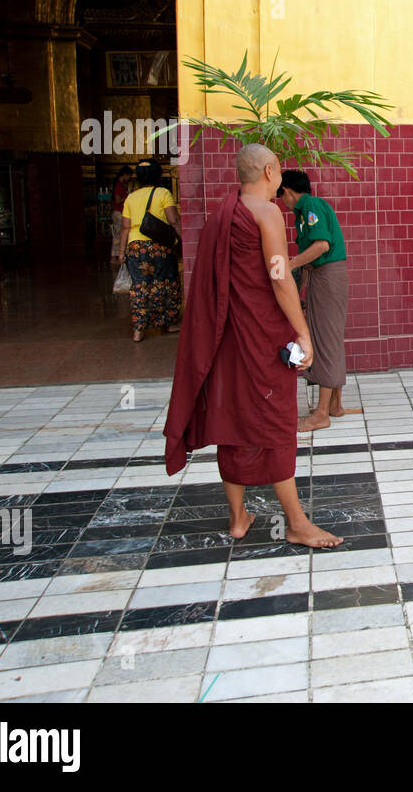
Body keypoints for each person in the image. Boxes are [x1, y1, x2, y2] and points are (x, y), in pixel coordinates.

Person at [164, 144, 340, 548]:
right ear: (268, 170)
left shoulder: (220, 215)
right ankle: (296, 523)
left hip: (226, 339)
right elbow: (279, 278)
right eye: (278, 171)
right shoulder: (266, 213)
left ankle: (239, 517)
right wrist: (303, 332)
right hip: (262, 338)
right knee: (275, 424)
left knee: (233, 422)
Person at [277, 170, 350, 432]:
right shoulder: (303, 212)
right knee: (327, 338)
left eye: (281, 196)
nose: (282, 203)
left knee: (327, 341)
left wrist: (291, 264)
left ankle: (321, 414)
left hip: (328, 276)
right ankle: (334, 405)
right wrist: (301, 291)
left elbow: (321, 246)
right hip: (320, 278)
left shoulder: (310, 205)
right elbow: (311, 260)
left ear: (286, 190)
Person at [117, 159, 182, 343]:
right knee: (167, 284)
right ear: (157, 175)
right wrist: (184, 239)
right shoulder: (163, 193)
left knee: (140, 288)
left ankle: (138, 330)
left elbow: (124, 227)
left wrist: (121, 252)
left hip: (136, 247)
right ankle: (169, 324)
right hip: (159, 247)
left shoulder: (131, 197)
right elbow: (173, 220)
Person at [109, 165, 133, 263]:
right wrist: (128, 196)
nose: (128, 179)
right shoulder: (119, 185)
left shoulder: (120, 185)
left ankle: (117, 256)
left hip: (120, 212)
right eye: (128, 176)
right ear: (124, 175)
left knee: (120, 234)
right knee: (118, 235)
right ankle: (114, 257)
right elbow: (118, 200)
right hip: (118, 212)